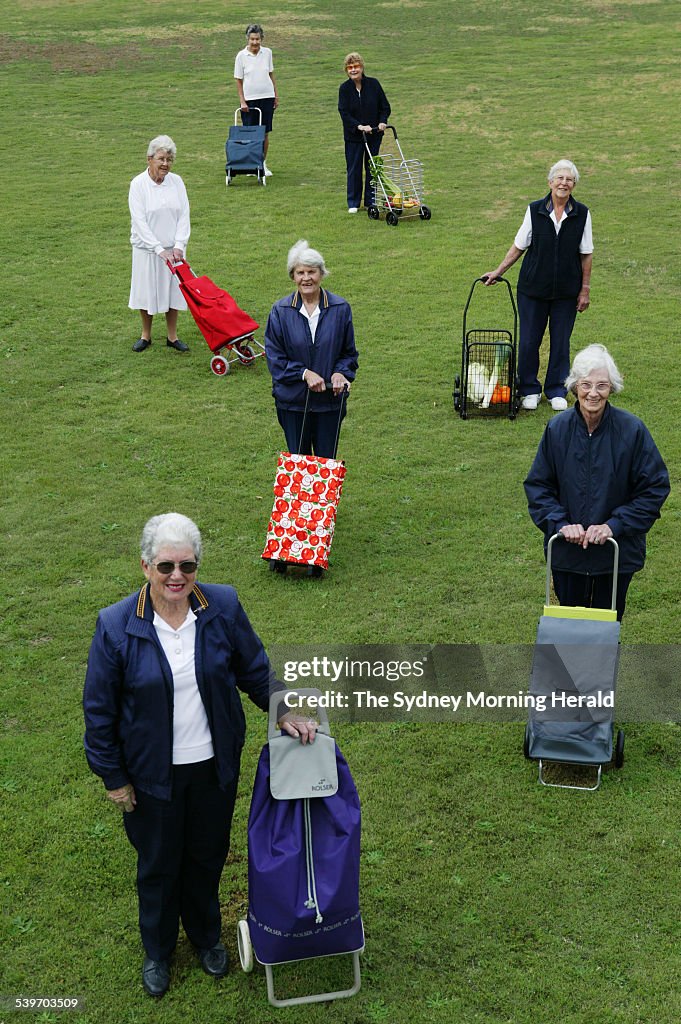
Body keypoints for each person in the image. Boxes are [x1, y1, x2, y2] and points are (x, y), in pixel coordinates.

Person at [83, 513, 316, 998]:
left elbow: (255, 670)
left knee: (207, 856)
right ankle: (158, 949)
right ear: (145, 566)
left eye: (187, 566)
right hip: (151, 779)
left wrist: (284, 711)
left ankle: (207, 936)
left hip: (213, 768)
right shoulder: (115, 625)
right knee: (158, 864)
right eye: (166, 565)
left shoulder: (222, 606)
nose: (177, 577)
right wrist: (113, 777)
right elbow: (99, 712)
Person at [524, 345, 670, 621]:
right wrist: (561, 524)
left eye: (602, 385)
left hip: (615, 557)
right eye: (586, 384)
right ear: (574, 387)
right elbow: (539, 486)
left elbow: (654, 488)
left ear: (611, 388)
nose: (593, 393)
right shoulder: (557, 430)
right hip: (569, 554)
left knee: (605, 633)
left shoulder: (632, 430)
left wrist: (613, 526)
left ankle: (601, 666)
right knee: (569, 633)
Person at [483, 159, 593, 411]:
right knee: (530, 340)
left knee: (561, 341)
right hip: (532, 289)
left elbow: (586, 253)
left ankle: (556, 389)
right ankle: (529, 389)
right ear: (550, 182)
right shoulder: (534, 210)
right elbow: (519, 246)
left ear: (574, 185)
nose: (564, 183)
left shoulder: (582, 214)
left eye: (569, 179)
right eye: (560, 178)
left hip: (566, 291)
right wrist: (498, 271)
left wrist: (584, 289)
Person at [265, 239, 358, 460]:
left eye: (311, 272)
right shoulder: (280, 311)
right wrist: (304, 373)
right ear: (293, 276)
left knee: (326, 466)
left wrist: (340, 373)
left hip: (329, 404)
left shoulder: (340, 308)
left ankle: (323, 498)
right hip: (293, 404)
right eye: (300, 273)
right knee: (299, 466)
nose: (306, 278)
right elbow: (275, 359)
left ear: (321, 273)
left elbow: (349, 353)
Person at [129, 136, 190, 353]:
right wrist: (158, 249)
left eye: (169, 159)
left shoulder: (177, 182)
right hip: (147, 250)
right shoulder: (138, 185)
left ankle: (172, 337)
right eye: (161, 158)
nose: (165, 164)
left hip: (173, 250)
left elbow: (184, 215)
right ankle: (146, 335)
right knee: (147, 291)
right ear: (149, 159)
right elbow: (140, 222)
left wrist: (178, 246)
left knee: (174, 291)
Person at [338, 52, 391, 213]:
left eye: (356, 66)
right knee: (354, 168)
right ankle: (353, 202)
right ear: (347, 70)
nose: (354, 70)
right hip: (354, 137)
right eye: (350, 67)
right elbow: (344, 112)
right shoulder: (345, 89)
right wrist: (359, 126)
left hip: (374, 135)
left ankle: (370, 201)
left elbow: (385, 107)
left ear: (362, 67)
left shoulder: (374, 84)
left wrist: (382, 122)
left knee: (372, 167)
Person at [234, 23, 278, 177]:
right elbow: (238, 80)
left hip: (267, 97)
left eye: (257, 39)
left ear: (261, 39)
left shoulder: (267, 53)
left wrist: (275, 95)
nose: (255, 42)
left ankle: (262, 163)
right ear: (248, 39)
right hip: (250, 99)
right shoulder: (241, 56)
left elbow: (271, 74)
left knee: (264, 132)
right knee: (250, 133)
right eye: (252, 39)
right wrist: (242, 101)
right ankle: (251, 164)